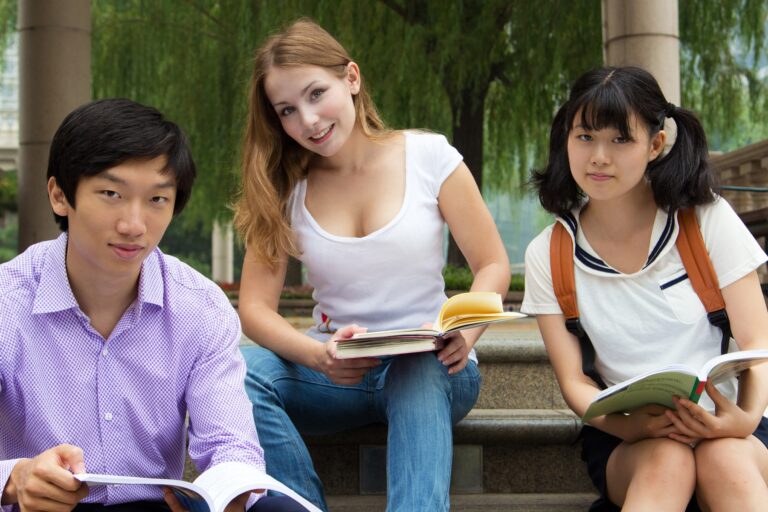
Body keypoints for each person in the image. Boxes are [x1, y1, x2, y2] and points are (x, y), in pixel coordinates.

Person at [234, 19, 510, 512]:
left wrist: (461, 335)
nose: (309, 120)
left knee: (416, 366)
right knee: (239, 372)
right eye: (288, 111)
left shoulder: (429, 156)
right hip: (338, 373)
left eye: (317, 94)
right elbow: (254, 308)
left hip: (437, 367)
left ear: (352, 79)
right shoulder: (284, 188)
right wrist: (319, 356)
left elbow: (491, 265)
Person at [0, 99, 304, 512]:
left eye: (157, 200)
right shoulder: (7, 302)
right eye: (111, 194)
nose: (134, 225)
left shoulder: (199, 307)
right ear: (59, 195)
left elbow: (230, 444)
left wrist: (232, 492)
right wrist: (14, 479)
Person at [522, 66, 768, 511]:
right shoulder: (550, 252)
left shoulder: (704, 220)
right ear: (566, 139)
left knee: (725, 458)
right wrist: (636, 428)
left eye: (620, 140)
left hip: (733, 420)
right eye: (585, 137)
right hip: (629, 437)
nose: (599, 156)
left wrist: (743, 419)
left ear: (655, 145)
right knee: (667, 459)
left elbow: (757, 342)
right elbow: (574, 382)